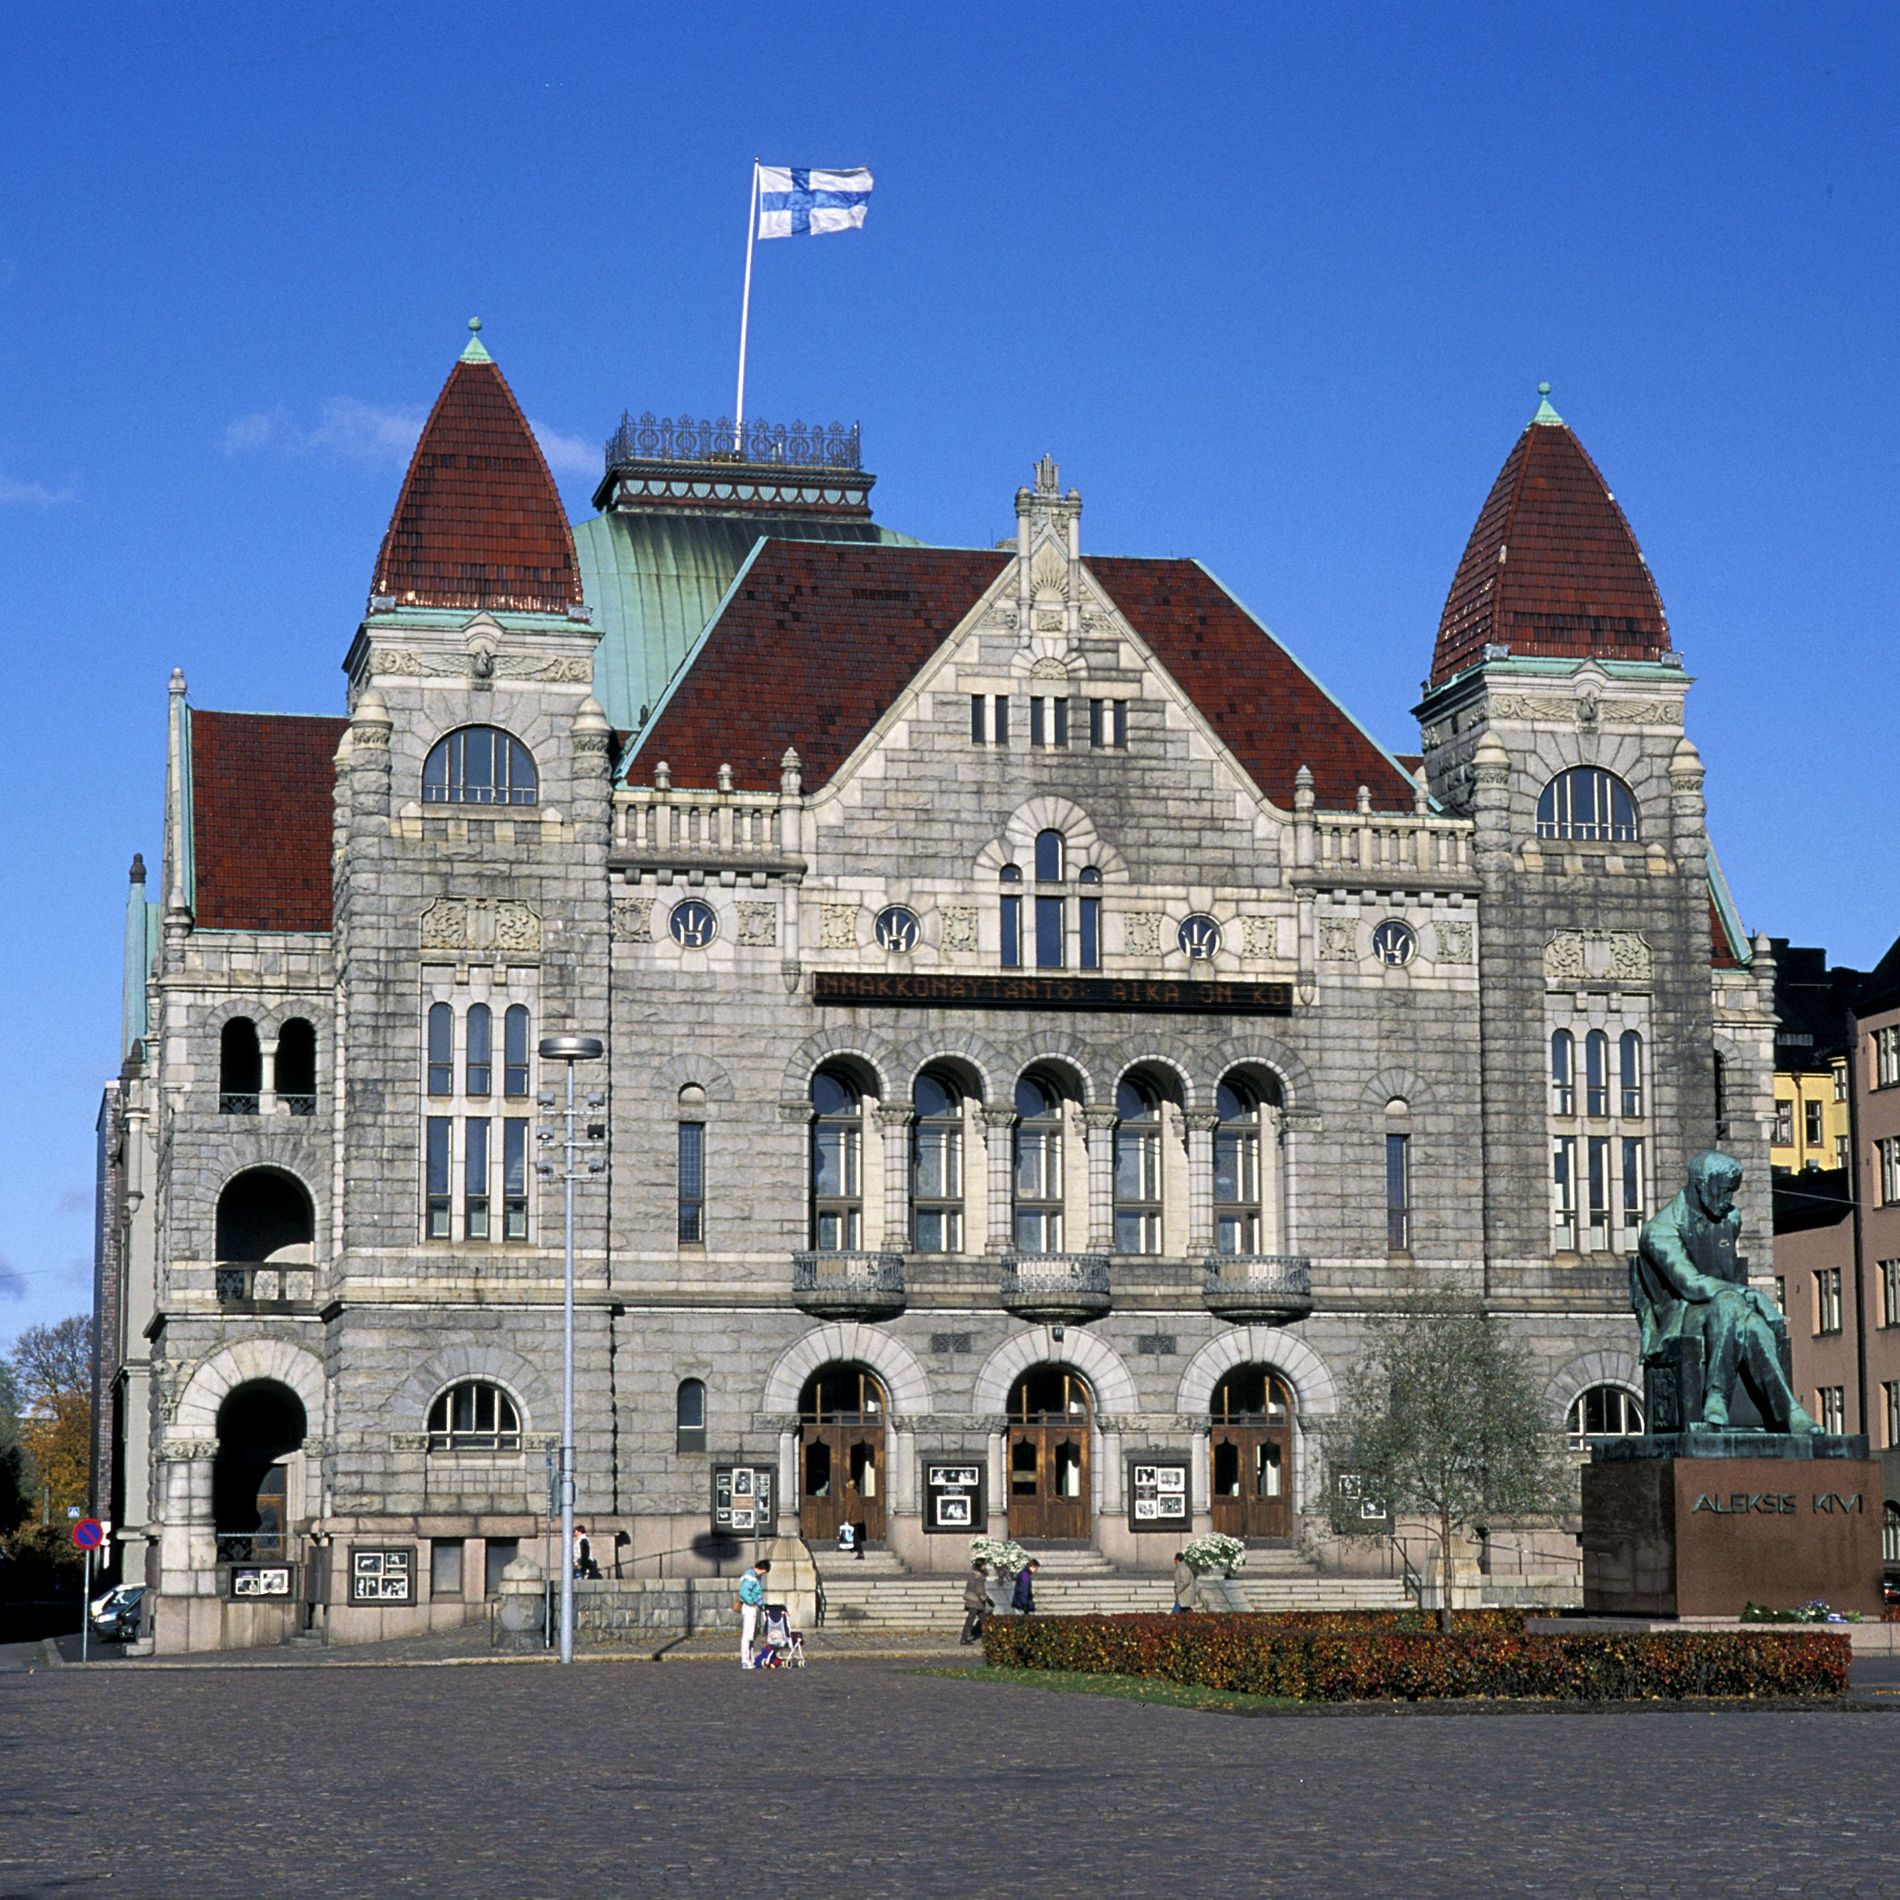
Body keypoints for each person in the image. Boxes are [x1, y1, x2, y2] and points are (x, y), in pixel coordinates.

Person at [1632, 1150, 1817, 1433]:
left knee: (1752, 1324)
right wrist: (1748, 1294)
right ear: (1700, 1184)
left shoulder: (1731, 1220)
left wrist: (1738, 1296)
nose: (1729, 1200)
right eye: (1723, 1191)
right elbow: (1690, 1284)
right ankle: (1741, 1401)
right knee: (1732, 1303)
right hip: (1682, 1316)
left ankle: (1771, 1408)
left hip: (1725, 1310)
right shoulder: (1659, 1231)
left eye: (1733, 1192)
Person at [736, 1557, 770, 1667]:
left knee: (751, 1635)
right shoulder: (751, 1577)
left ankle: (749, 1658)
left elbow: (756, 1594)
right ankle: (745, 1660)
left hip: (752, 1607)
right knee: (747, 1635)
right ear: (762, 1569)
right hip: (749, 1607)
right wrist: (752, 1602)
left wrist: (762, 1606)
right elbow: (745, 1593)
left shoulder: (753, 1577)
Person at [960, 1561, 989, 1644]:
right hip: (976, 1602)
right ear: (981, 1566)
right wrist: (986, 1599)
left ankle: (990, 1636)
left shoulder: (971, 1575)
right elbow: (980, 1591)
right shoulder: (979, 1577)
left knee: (983, 1620)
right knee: (971, 1620)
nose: (985, 1567)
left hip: (970, 1599)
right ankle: (964, 1638)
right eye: (984, 1565)